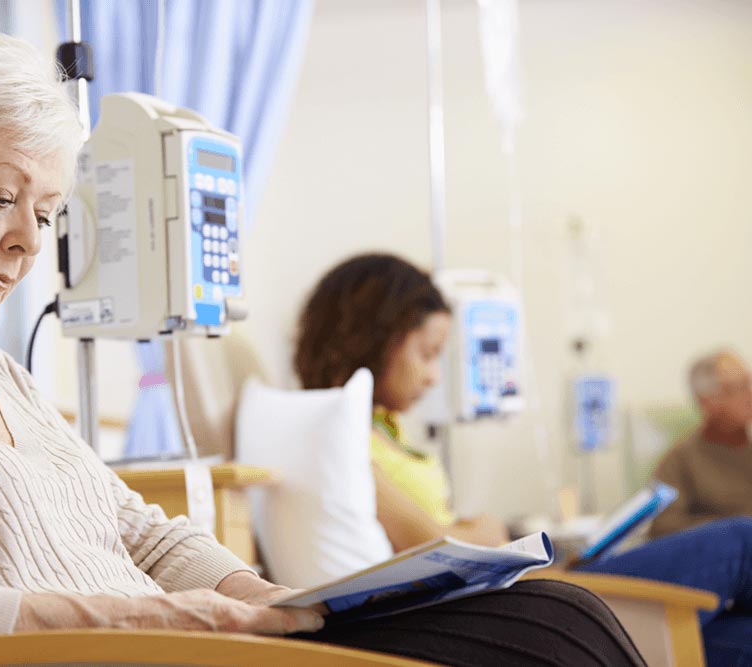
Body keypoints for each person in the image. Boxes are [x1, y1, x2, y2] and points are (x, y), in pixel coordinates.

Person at [0, 32, 643, 667]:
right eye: (0, 197)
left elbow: (136, 526)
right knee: (551, 638)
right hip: (132, 651)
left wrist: (269, 602)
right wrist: (120, 617)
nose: (31, 241)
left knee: (552, 607)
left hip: (178, 640)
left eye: (50, 212)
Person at [294, 252, 752, 667]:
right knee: (742, 542)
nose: (435, 377)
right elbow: (429, 543)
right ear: (378, 339)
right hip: (511, 604)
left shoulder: (383, 433)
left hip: (524, 585)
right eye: (428, 354)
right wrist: (484, 531)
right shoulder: (338, 436)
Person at [649, 350, 752, 538]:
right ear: (707, 401)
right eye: (737, 388)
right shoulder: (680, 461)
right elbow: (662, 528)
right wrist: (733, 529)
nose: (749, 396)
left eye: (748, 384)